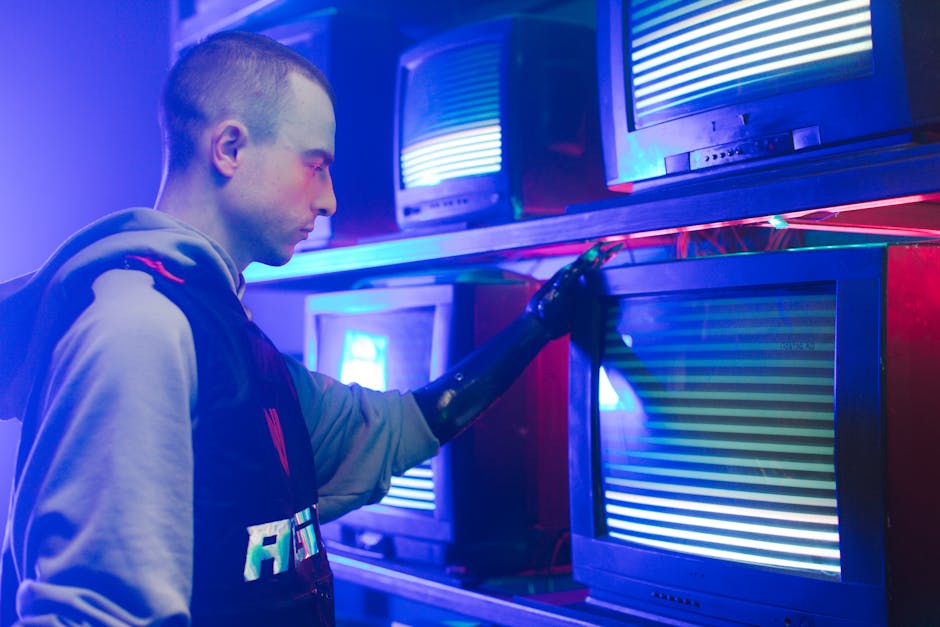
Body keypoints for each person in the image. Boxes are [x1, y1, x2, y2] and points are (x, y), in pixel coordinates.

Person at [0, 31, 616, 626]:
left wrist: (537, 326)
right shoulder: (140, 326)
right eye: (315, 165)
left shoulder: (224, 334)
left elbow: (398, 428)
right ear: (230, 149)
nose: (330, 200)